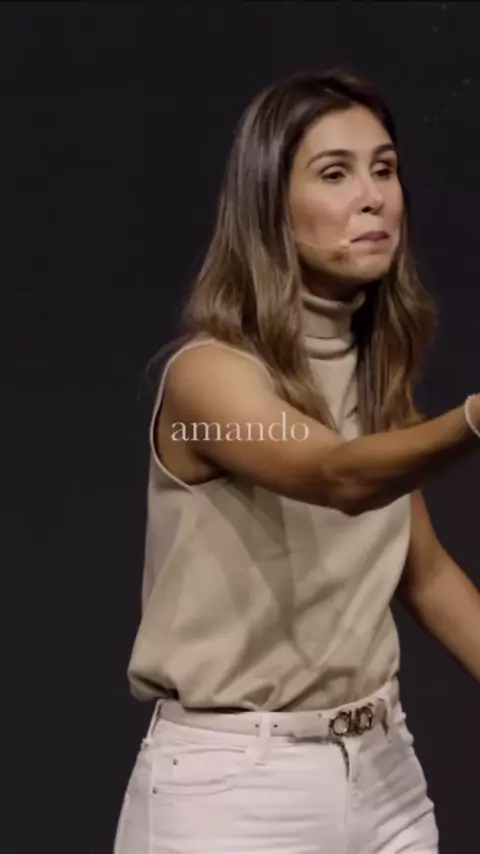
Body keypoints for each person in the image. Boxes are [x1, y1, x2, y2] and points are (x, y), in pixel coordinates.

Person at [113, 67, 480, 854]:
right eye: (335, 174)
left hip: (384, 772)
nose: (373, 197)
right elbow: (336, 475)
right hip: (235, 790)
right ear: (269, 206)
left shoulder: (373, 373)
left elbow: (424, 574)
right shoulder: (207, 376)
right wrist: (475, 420)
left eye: (384, 169)